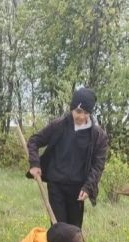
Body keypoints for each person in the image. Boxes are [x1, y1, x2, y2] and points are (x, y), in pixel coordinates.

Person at [26, 87, 109, 228]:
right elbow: (34, 141)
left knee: (74, 232)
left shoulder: (97, 136)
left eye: (86, 112)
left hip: (78, 190)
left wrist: (88, 187)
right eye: (78, 111)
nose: (81, 116)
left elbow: (98, 165)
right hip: (56, 185)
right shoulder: (59, 125)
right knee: (59, 229)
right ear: (72, 108)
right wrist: (35, 164)